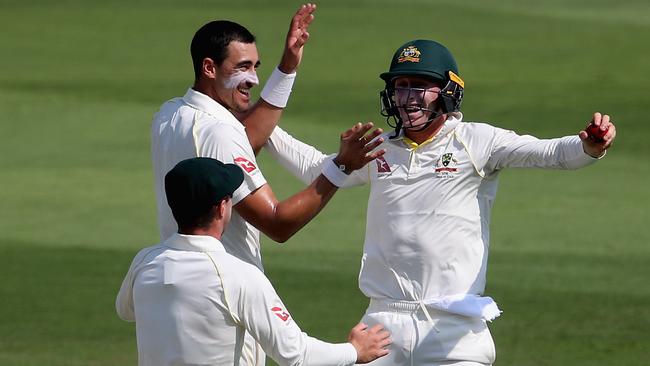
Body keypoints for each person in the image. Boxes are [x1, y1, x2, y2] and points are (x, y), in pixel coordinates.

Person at [263, 39, 617, 365]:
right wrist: (258, 123)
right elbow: (315, 168)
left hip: (455, 328)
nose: (407, 97)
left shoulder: (476, 141)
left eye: (420, 86)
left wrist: (589, 146)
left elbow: (549, 153)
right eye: (400, 86)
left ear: (448, 92)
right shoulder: (378, 149)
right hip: (384, 322)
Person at [150, 6, 386, 363]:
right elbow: (276, 222)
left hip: (182, 290)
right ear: (209, 68)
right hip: (230, 300)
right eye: (242, 67)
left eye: (256, 67)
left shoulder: (170, 115)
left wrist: (287, 67)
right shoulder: (219, 132)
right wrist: (340, 167)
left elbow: (247, 137)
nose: (253, 79)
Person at [116, 157, 391, 366]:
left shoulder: (145, 262)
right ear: (222, 207)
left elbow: (126, 310)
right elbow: (295, 354)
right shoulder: (237, 276)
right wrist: (355, 351)